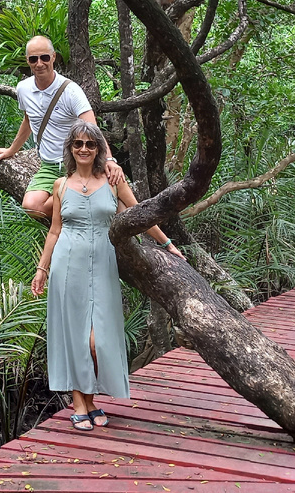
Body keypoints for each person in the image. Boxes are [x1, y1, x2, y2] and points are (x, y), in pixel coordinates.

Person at [30, 120, 185, 431]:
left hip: (102, 263)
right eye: (78, 144)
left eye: (90, 144)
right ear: (70, 149)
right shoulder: (60, 186)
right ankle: (82, 403)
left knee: (96, 340)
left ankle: (89, 399)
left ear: (99, 149)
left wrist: (167, 244)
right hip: (67, 264)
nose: (84, 149)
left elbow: (140, 214)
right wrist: (42, 269)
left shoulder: (113, 181)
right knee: (74, 335)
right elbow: (54, 230)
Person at [0, 35, 122, 220]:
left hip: (79, 163)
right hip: (50, 165)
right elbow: (29, 120)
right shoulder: (23, 89)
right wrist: (12, 150)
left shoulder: (71, 91)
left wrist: (109, 160)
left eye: (44, 57)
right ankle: (75, 199)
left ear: (53, 57)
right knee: (32, 207)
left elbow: (92, 127)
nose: (39, 63)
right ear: (27, 61)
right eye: (33, 59)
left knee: (114, 203)